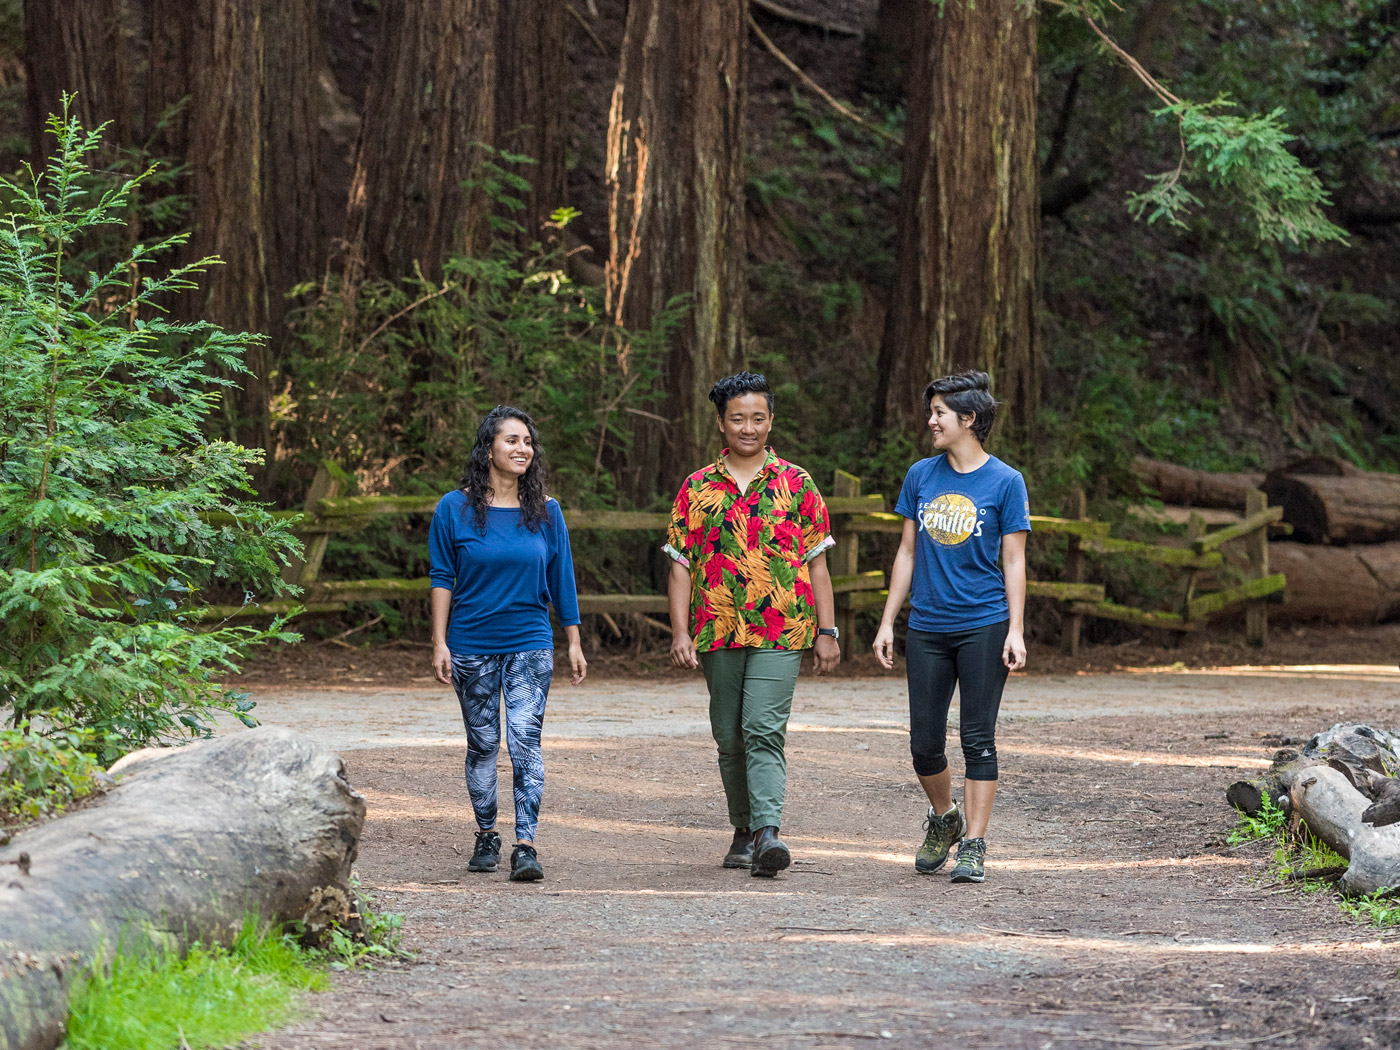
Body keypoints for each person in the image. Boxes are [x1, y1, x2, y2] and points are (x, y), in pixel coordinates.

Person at [665, 371, 841, 878]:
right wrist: (680, 632)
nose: (748, 427)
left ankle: (768, 832)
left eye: (758, 418)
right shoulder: (697, 488)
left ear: (771, 422)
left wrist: (826, 633)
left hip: (781, 628)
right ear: (721, 423)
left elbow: (818, 564)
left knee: (763, 728)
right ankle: (742, 829)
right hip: (717, 627)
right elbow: (680, 565)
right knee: (729, 735)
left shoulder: (797, 483)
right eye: (738, 418)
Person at [872, 370, 1029, 884]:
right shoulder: (921, 475)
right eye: (931, 411)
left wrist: (1016, 630)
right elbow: (907, 552)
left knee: (978, 738)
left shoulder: (1006, 481)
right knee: (924, 745)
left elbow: (1014, 561)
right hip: (929, 626)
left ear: (969, 419)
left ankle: (976, 844)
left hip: (984, 623)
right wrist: (888, 621)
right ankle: (945, 819)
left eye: (939, 412)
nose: (931, 421)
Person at [430, 405, 587, 883]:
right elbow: (442, 578)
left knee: (525, 741)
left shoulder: (546, 512)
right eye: (511, 441)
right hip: (471, 642)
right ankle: (485, 835)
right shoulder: (452, 509)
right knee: (482, 744)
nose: (522, 449)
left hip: (530, 641)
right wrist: (439, 642)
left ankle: (525, 843)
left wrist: (574, 640)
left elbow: (562, 578)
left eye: (527, 442)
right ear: (488, 449)